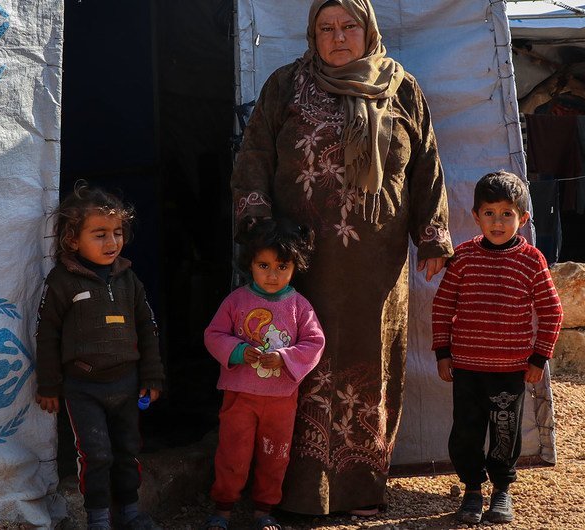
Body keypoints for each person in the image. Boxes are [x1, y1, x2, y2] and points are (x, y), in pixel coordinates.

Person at [230, 0, 454, 516]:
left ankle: (358, 490)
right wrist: (258, 225)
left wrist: (433, 236)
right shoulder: (286, 85)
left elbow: (427, 165)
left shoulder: (401, 88)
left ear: (368, 29)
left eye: (348, 25)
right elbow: (255, 155)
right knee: (297, 359)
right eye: (325, 27)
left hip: (375, 266)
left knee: (367, 362)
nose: (337, 37)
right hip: (299, 263)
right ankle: (297, 494)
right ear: (313, 34)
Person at [431, 171, 564, 524]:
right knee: (466, 431)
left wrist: (539, 357)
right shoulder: (463, 257)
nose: (498, 221)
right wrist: (443, 352)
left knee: (505, 431)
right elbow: (443, 306)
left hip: (510, 368)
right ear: (476, 216)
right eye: (489, 213)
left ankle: (502, 491)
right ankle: (472, 491)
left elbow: (552, 311)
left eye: (507, 213)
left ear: (523, 218)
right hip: (467, 367)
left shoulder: (531, 260)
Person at [34, 185, 162, 530]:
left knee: (127, 451)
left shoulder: (128, 279)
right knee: (96, 455)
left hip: (127, 383)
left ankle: (131, 513)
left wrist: (152, 377)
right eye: (100, 234)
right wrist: (49, 384)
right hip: (83, 388)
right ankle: (99, 519)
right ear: (73, 240)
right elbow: (47, 335)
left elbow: (147, 327)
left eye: (117, 233)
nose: (112, 242)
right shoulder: (62, 281)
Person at [202, 218, 326, 530]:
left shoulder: (299, 306)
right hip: (240, 396)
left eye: (282, 266)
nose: (272, 275)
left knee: (276, 454)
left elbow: (314, 342)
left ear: (295, 266)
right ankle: (223, 509)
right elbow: (214, 334)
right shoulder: (237, 301)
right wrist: (240, 352)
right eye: (264, 265)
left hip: (282, 401)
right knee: (233, 452)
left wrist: (284, 358)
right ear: (250, 264)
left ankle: (263, 510)